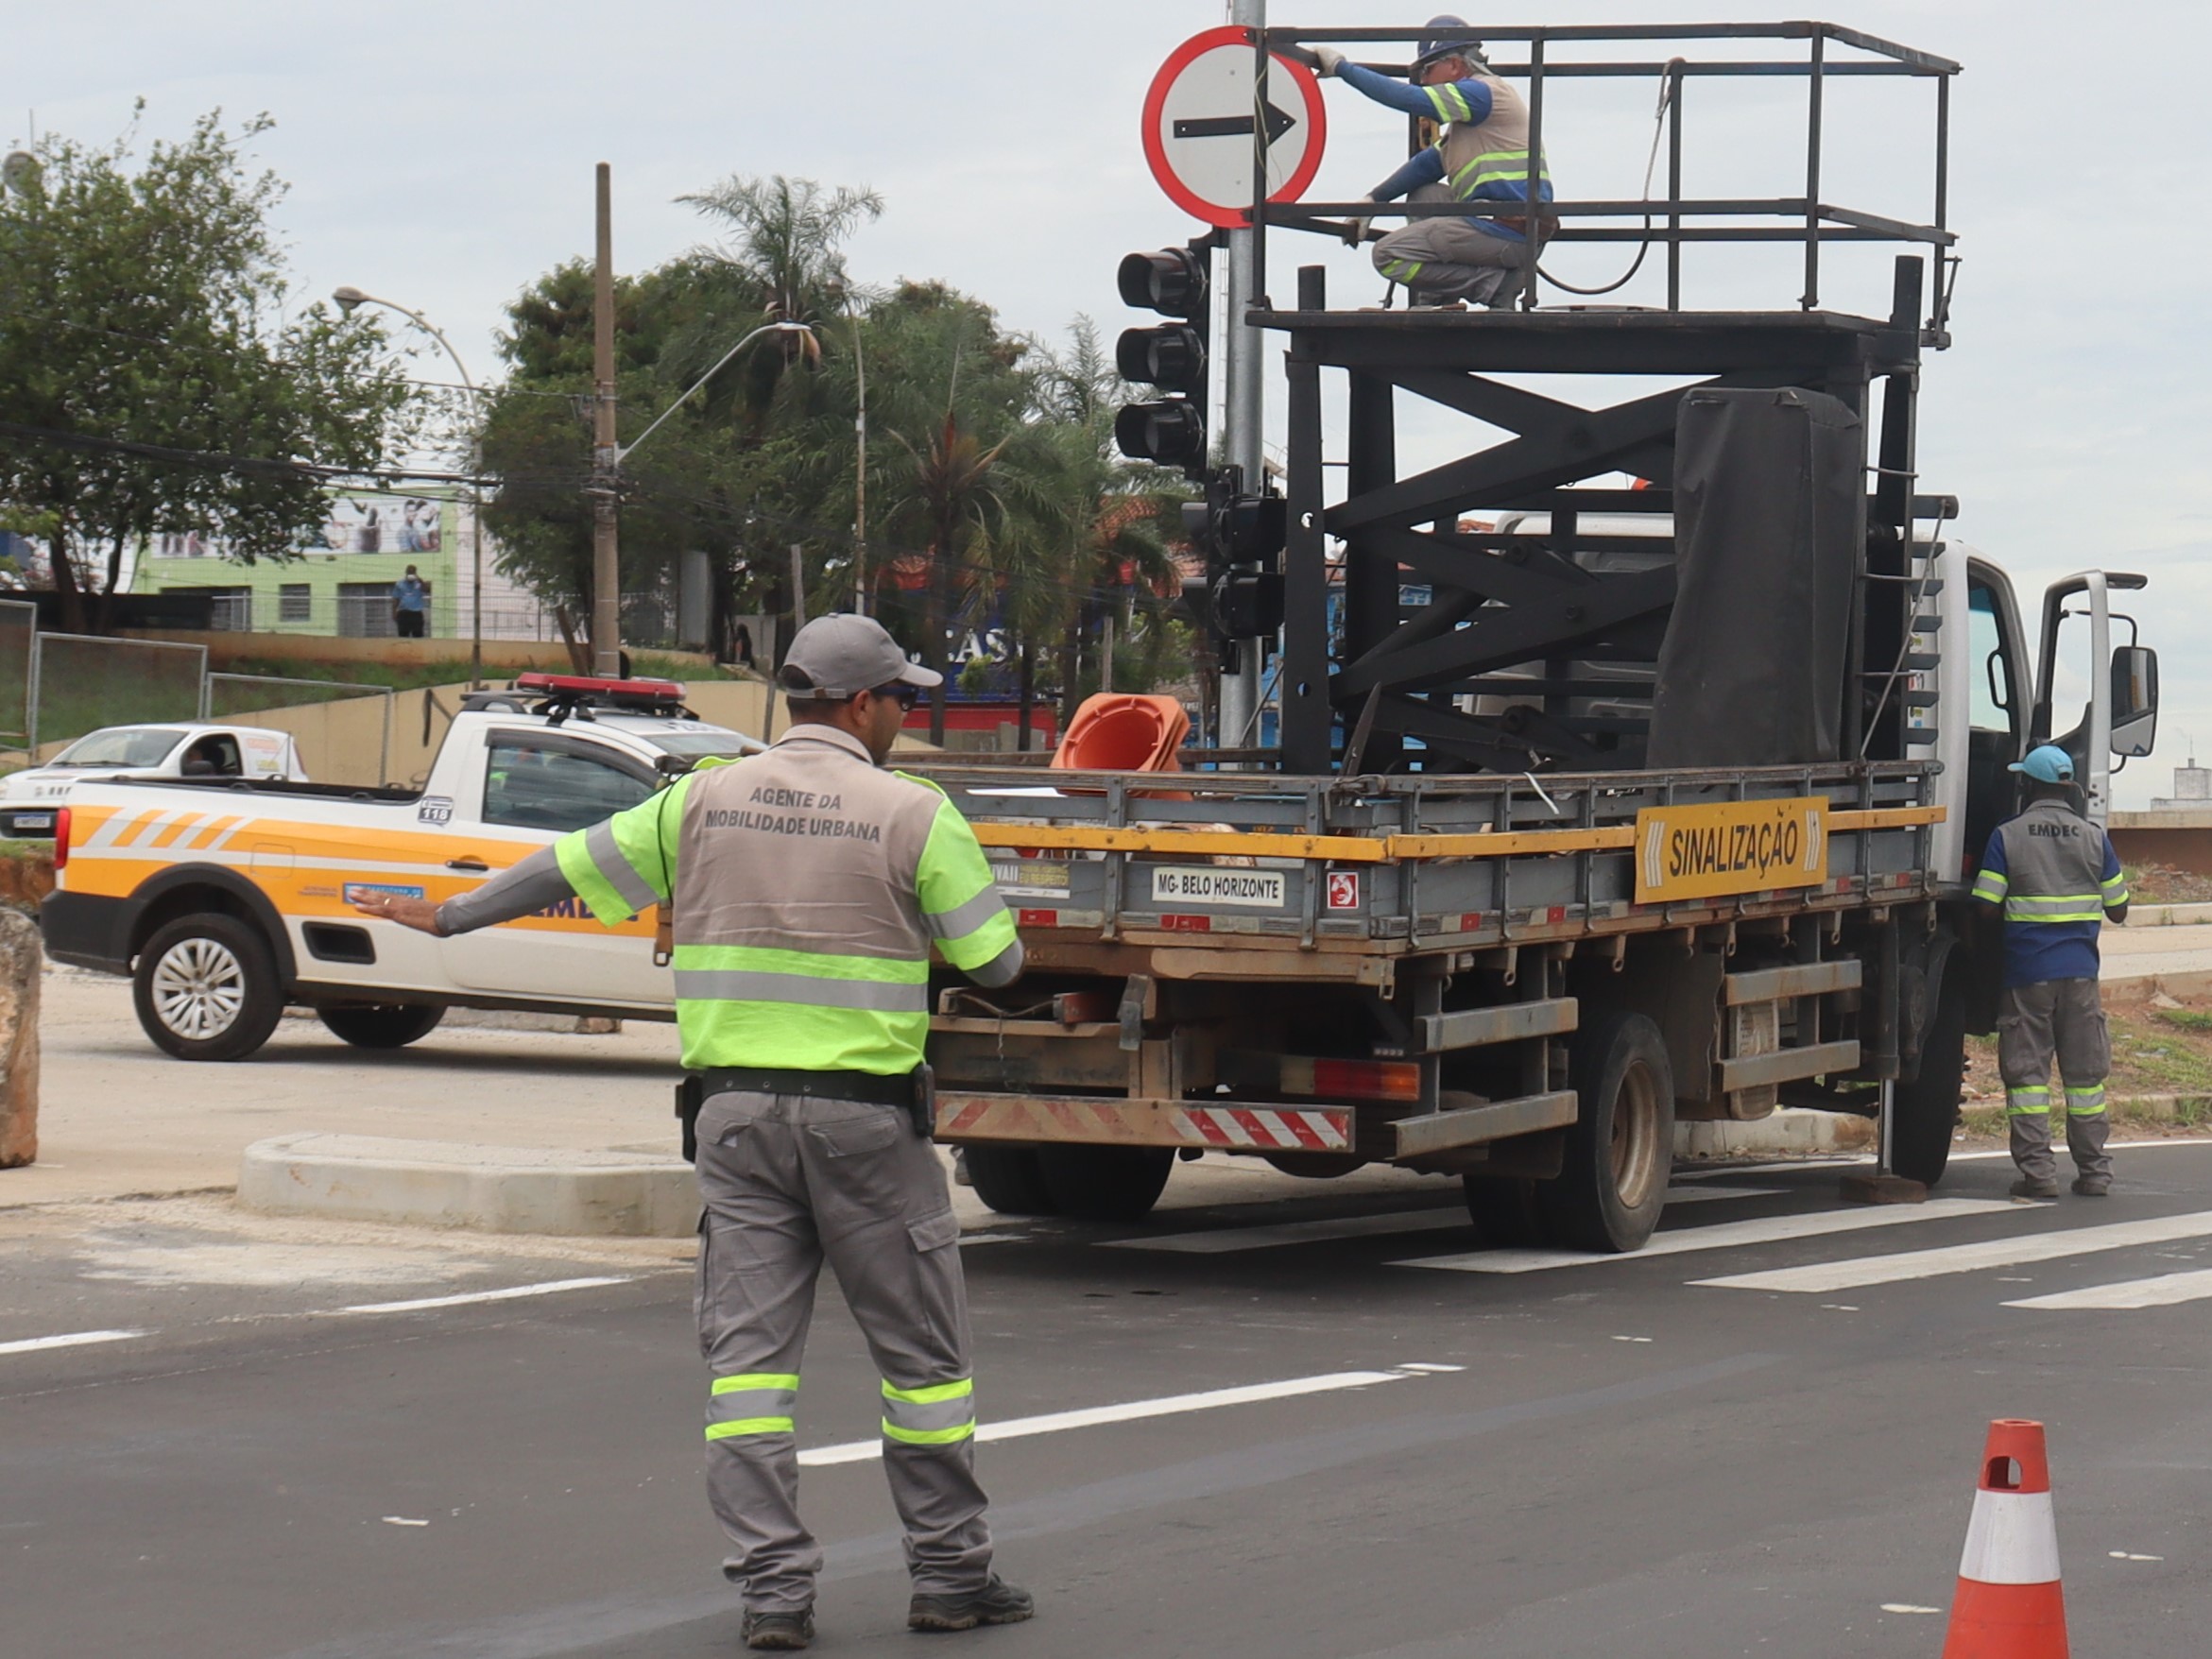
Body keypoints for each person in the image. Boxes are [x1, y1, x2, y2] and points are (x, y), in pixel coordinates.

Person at [352, 612, 1034, 1651]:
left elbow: (565, 866)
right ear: (860, 704)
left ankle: (773, 1594)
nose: (905, 713)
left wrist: (448, 917)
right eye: (901, 696)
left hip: (735, 1123)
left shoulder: (701, 799)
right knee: (923, 1367)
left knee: (748, 1373)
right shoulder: (912, 812)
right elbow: (998, 964)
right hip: (864, 1127)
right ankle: (949, 1577)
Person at [1972, 744, 2131, 1199]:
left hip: (2027, 975)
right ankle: (2095, 1173)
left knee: (2028, 1080)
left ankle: (2039, 1175)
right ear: (2068, 788)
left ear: (2026, 784)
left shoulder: (2008, 836)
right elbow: (2119, 909)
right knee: (2085, 1082)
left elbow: (1985, 906)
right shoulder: (2094, 838)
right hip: (2081, 976)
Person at [1312, 16, 1555, 309]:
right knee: (1424, 196)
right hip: (1500, 227)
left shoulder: (1481, 93)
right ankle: (1438, 299)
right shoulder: (1470, 122)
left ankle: (1493, 286)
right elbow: (1425, 166)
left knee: (1388, 255)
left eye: (1427, 70)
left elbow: (1408, 98)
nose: (1424, 80)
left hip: (1506, 231)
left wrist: (1341, 68)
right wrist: (1373, 201)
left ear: (1454, 64)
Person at [391, 565, 428, 638]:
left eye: (412, 573)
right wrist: (394, 612)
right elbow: (396, 599)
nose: (410, 574)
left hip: (416, 613)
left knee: (418, 635)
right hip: (403, 613)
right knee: (403, 635)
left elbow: (427, 590)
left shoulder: (419, 583)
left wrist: (421, 581)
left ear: (415, 573)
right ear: (406, 573)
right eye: (409, 572)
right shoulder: (400, 584)